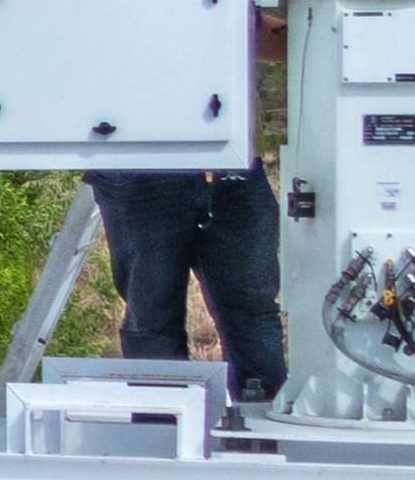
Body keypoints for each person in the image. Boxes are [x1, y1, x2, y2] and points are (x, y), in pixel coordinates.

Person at [92, 167, 286, 403]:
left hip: (235, 168)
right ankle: (163, 431)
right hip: (141, 166)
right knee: (152, 319)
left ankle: (260, 431)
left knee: (252, 316)